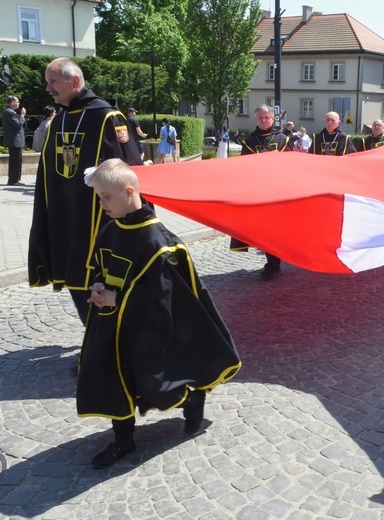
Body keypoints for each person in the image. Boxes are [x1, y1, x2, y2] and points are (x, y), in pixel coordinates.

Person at [79, 159, 241, 468]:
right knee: (110, 376)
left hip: (145, 329)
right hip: (109, 321)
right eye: (98, 197)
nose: (101, 204)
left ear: (129, 192)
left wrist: (117, 297)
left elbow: (162, 296)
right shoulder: (111, 229)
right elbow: (99, 265)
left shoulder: (157, 242)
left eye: (106, 197)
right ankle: (122, 439)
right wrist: (98, 286)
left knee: (153, 381)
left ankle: (191, 399)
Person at [28, 57, 143, 323]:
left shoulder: (108, 117)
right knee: (74, 279)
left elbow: (131, 171)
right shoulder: (59, 120)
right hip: (65, 219)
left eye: (53, 81)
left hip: (98, 223)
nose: (48, 88)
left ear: (75, 81)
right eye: (47, 82)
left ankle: (104, 346)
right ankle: (95, 338)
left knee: (99, 284)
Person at [234, 104, 292, 280]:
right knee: (266, 230)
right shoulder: (249, 142)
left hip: (280, 192)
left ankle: (282, 259)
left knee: (281, 229)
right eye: (261, 117)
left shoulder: (283, 139)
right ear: (255, 119)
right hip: (259, 193)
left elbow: (293, 166)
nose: (264, 120)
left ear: (273, 119)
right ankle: (272, 264)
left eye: (267, 117)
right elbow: (243, 169)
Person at [2, 95, 26, 186]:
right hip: (14, 141)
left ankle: (15, 179)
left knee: (17, 161)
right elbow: (18, 124)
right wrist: (22, 116)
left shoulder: (10, 112)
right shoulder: (9, 112)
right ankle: (13, 180)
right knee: (15, 161)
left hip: (15, 141)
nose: (19, 103)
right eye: (17, 101)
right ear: (12, 102)